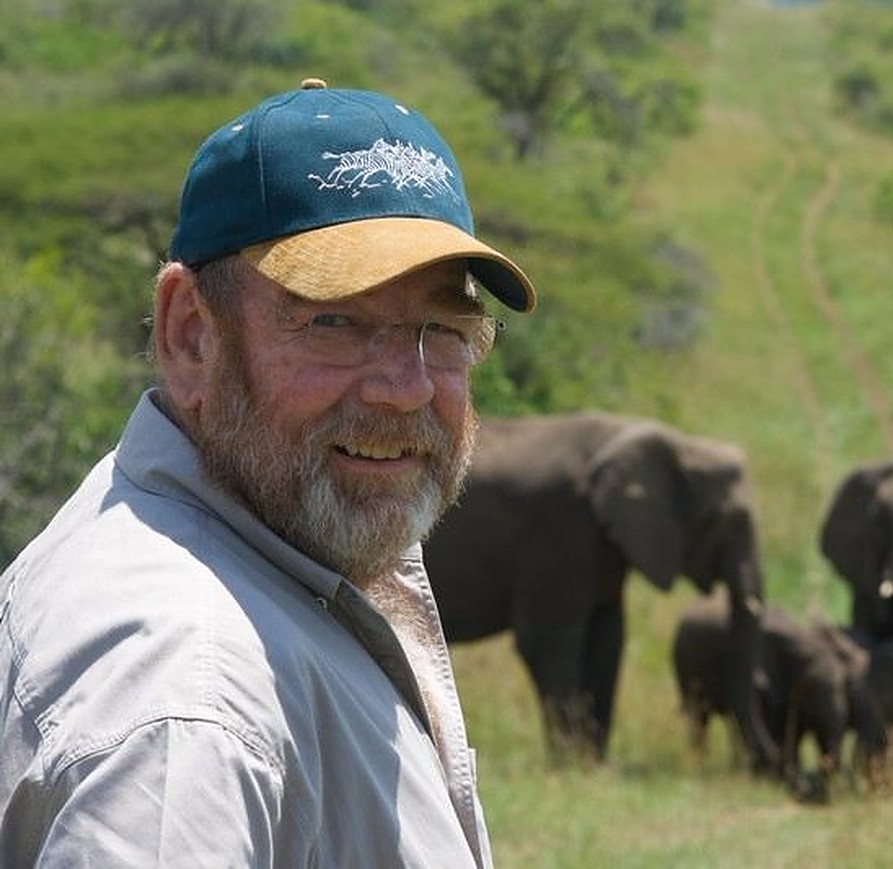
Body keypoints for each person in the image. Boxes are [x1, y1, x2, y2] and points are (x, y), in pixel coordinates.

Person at [0, 78, 536, 867]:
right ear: (191, 334)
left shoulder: (259, 561)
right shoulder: (187, 705)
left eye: (445, 327)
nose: (408, 387)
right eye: (333, 321)